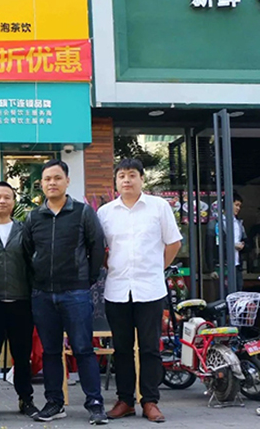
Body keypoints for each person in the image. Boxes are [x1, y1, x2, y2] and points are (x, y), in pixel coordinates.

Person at [22, 160, 107, 424]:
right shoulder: (33, 217)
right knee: (50, 351)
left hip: (75, 293)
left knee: (83, 349)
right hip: (43, 295)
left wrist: (87, 279)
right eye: (47, 179)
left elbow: (97, 246)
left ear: (67, 181)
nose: (52, 183)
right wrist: (35, 282)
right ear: (41, 183)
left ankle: (95, 404)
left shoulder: (83, 213)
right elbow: (26, 252)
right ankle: (54, 403)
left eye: (57, 178)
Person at [97, 158, 182, 423]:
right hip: (117, 289)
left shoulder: (158, 207)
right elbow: (99, 250)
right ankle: (125, 400)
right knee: (121, 349)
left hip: (150, 290)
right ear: (115, 181)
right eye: (121, 176)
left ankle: (150, 401)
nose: (126, 180)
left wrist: (157, 267)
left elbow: (173, 243)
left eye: (132, 175)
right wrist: (111, 266)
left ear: (142, 179)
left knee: (150, 348)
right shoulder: (105, 213)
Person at [0, 182, 37, 420]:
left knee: (22, 355)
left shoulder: (25, 230)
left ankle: (26, 399)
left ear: (13, 202)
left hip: (20, 301)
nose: (2, 201)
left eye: (7, 197)